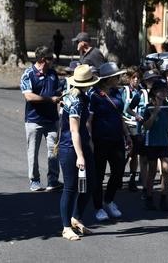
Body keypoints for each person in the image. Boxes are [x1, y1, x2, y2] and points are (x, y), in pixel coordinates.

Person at [57, 65, 99, 241]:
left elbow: (83, 129)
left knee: (89, 184)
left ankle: (76, 217)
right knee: (70, 187)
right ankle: (66, 227)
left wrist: (89, 145)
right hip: (70, 148)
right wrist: (80, 155)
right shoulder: (75, 101)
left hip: (83, 145)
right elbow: (74, 131)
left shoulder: (84, 97)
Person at [88, 62, 131, 221]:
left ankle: (109, 200)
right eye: (116, 76)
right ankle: (98, 207)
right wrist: (90, 140)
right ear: (108, 79)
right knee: (98, 175)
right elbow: (89, 121)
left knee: (118, 172)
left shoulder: (117, 93)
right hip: (100, 141)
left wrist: (126, 135)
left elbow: (120, 116)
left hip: (116, 139)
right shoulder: (94, 95)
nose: (119, 78)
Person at [20, 46, 62, 192]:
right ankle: (34, 181)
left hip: (52, 120)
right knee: (33, 151)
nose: (53, 60)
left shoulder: (52, 73)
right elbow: (28, 96)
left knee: (54, 151)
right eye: (51, 58)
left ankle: (53, 181)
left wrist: (60, 98)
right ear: (43, 59)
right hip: (34, 121)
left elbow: (57, 91)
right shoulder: (28, 74)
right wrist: (50, 99)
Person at [143, 79, 168, 211]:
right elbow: (146, 126)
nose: (163, 92)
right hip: (152, 143)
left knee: (166, 171)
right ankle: (149, 197)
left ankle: (164, 198)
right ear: (154, 92)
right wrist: (155, 112)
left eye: (165, 90)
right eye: (160, 90)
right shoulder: (149, 107)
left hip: (164, 142)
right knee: (152, 170)